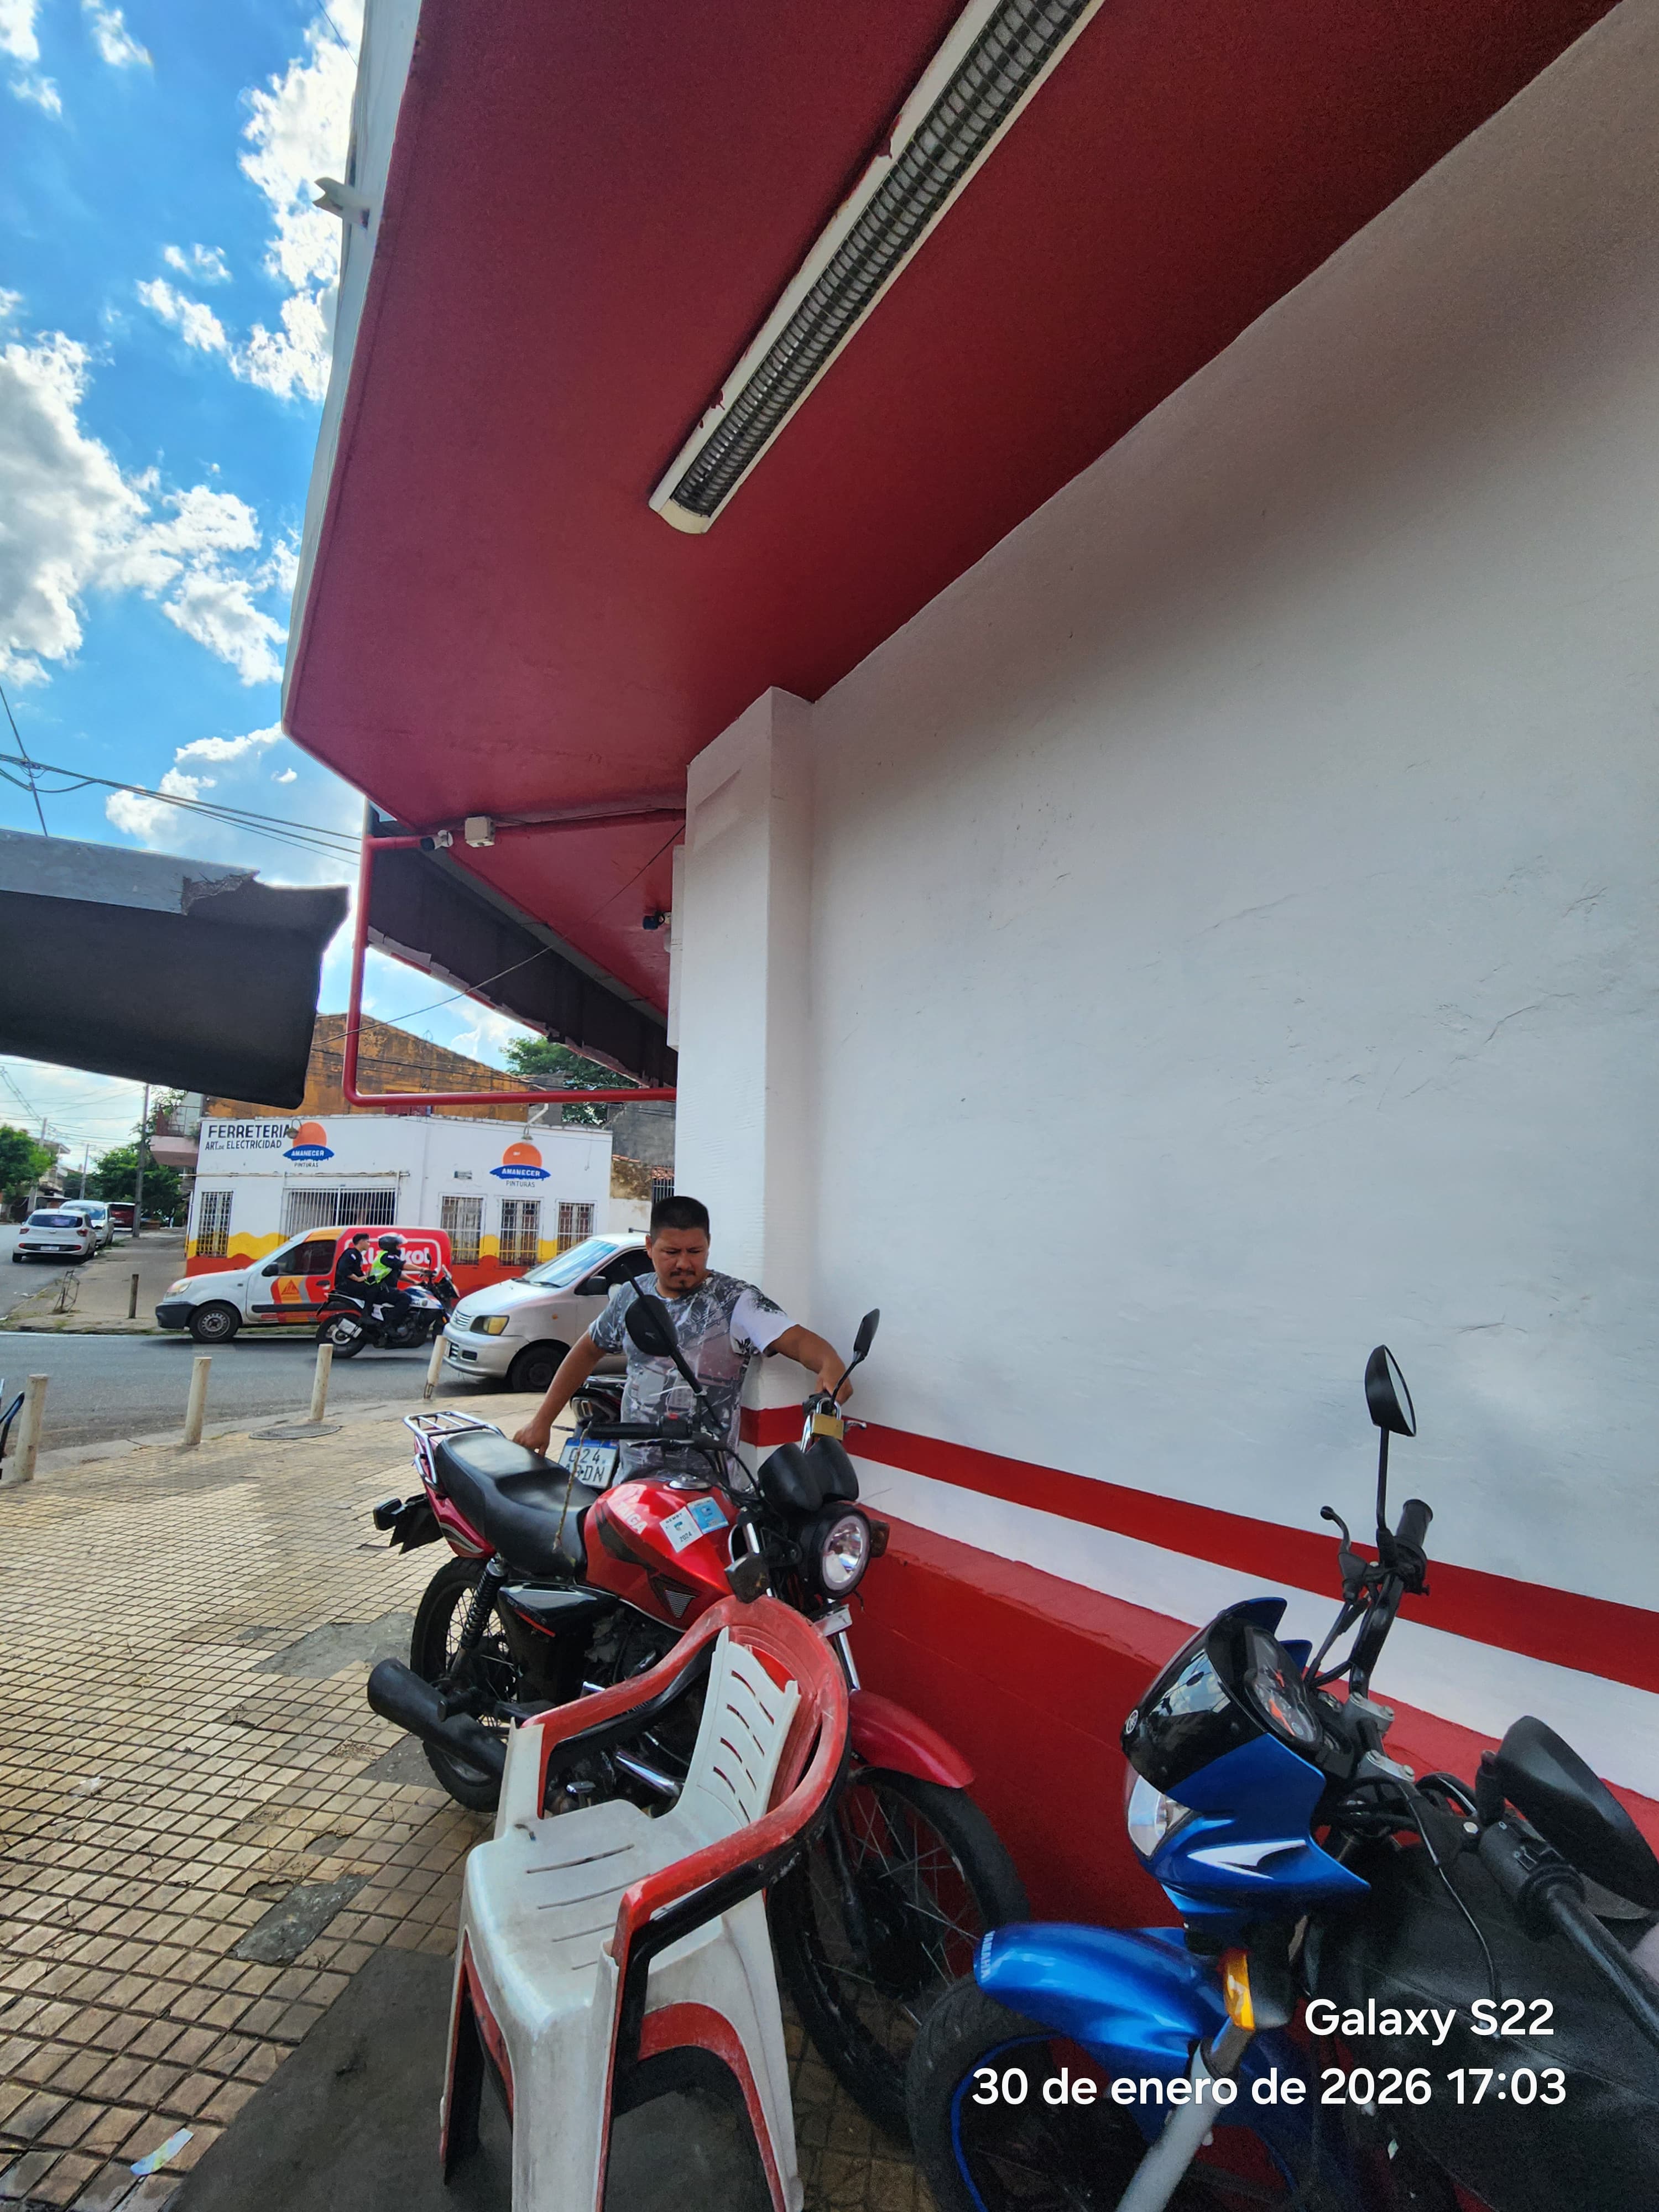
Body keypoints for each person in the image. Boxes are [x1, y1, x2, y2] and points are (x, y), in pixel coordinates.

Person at [512, 1194, 848, 1475]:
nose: (684, 1263)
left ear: (708, 1246)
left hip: (707, 1486)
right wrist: (542, 1421)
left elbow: (796, 1340)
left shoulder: (735, 1301)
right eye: (671, 1252)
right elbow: (587, 1350)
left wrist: (829, 1363)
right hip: (634, 1483)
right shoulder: (632, 1296)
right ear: (649, 1247)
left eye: (695, 1252)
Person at [331, 1231, 372, 1311]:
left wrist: (366, 1276)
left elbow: (357, 1272)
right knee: (372, 1290)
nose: (369, 1244)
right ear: (361, 1242)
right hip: (345, 1285)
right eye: (367, 1242)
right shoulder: (351, 1254)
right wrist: (357, 1279)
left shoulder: (358, 1255)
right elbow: (343, 1269)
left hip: (351, 1284)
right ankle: (366, 1312)